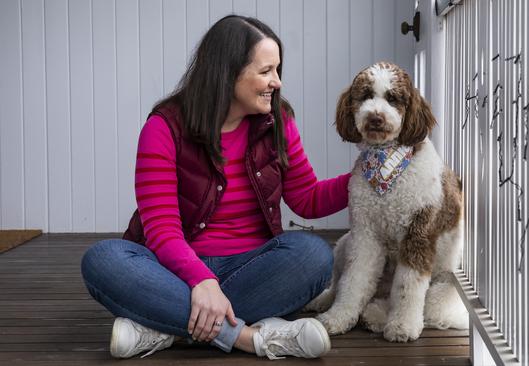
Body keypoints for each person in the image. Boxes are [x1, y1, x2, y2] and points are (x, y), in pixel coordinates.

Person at [80, 15, 350, 360]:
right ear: (229, 72)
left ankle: (163, 329)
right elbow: (161, 230)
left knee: (313, 255)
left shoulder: (278, 120)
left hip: (253, 267)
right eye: (265, 71)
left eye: (277, 70)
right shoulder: (164, 127)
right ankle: (252, 338)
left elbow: (307, 198)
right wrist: (201, 281)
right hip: (173, 269)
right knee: (103, 259)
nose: (277, 82)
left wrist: (362, 178)